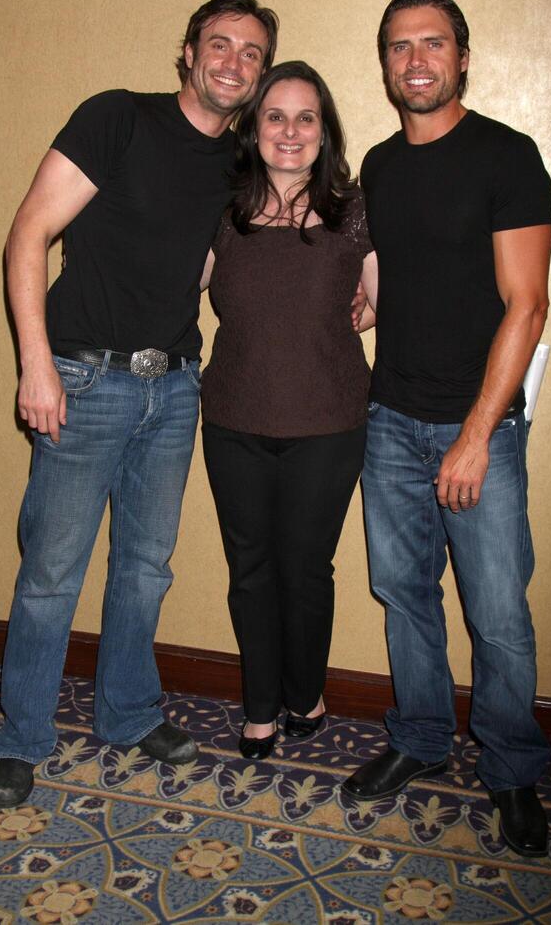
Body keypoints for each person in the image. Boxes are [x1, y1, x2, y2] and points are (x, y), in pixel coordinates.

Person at [0, 0, 279, 808]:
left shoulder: (239, 163)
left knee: (145, 570)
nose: (233, 62)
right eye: (219, 44)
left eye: (251, 53)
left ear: (259, 74)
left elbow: (219, 264)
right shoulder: (117, 118)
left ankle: (127, 713)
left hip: (175, 386)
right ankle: (22, 738)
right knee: (51, 573)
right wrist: (35, 365)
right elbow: (28, 233)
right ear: (188, 52)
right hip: (83, 380)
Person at [341, 0, 551, 859]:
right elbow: (395, 266)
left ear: (462, 56)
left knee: (498, 613)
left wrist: (474, 434)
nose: (416, 60)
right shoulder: (383, 167)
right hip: (388, 419)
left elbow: (529, 306)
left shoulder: (508, 155)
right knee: (403, 594)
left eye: (434, 44)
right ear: (385, 62)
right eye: (400, 46)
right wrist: (363, 297)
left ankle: (511, 770)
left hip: (481, 430)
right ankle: (422, 740)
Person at [199, 61, 378, 759]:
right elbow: (175, 286)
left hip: (329, 424)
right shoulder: (226, 211)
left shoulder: (354, 209)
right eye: (275, 116)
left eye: (307, 118)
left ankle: (305, 691)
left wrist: (352, 320)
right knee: (250, 569)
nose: (291, 131)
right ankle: (259, 705)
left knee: (305, 567)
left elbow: (387, 301)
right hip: (234, 419)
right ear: (254, 126)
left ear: (324, 131)